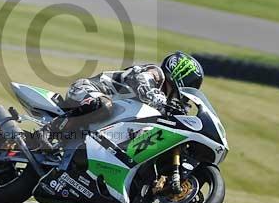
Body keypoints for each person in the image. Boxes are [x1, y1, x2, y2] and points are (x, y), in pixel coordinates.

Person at [49, 51, 204, 140]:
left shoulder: (166, 102)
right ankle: (49, 130)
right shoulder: (156, 74)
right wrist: (155, 95)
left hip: (103, 124)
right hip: (87, 90)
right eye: (192, 83)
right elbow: (141, 79)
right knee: (104, 105)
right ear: (182, 74)